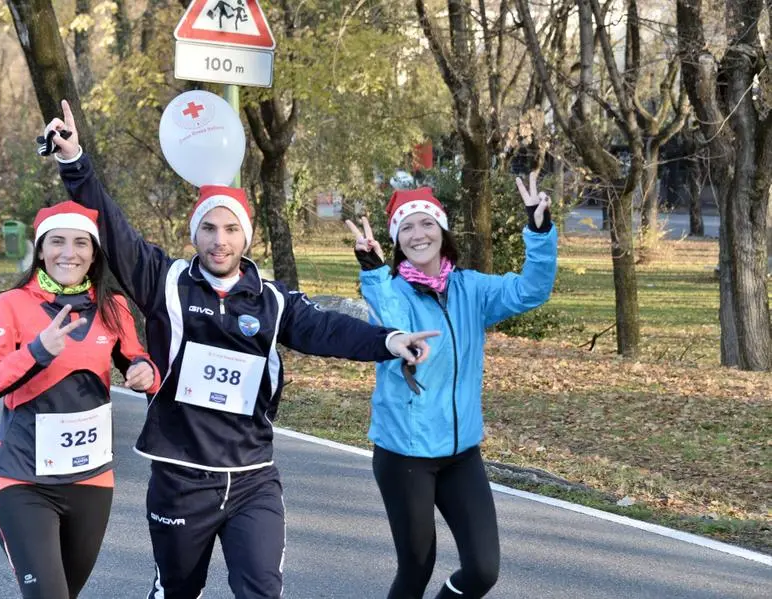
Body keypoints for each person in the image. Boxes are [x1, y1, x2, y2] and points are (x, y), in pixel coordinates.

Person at [40, 99, 439, 599]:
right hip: (182, 476)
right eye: (208, 229)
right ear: (195, 234)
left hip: (252, 477)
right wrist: (75, 164)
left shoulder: (271, 299)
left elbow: (325, 330)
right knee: (178, 591)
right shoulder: (164, 283)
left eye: (230, 229)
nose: (219, 241)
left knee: (261, 590)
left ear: (245, 236)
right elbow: (114, 229)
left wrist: (388, 341)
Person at [345, 175, 557, 599]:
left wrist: (538, 232)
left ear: (442, 231)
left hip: (461, 454)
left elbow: (531, 290)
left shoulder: (472, 289)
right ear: (396, 240)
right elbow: (390, 321)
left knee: (482, 570)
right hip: (405, 454)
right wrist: (373, 271)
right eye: (406, 227)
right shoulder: (395, 294)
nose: (418, 234)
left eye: (426, 224)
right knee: (416, 569)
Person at [0, 201, 161, 599]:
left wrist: (146, 372)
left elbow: (139, 361)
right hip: (20, 480)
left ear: (94, 252)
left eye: (80, 243)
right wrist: (36, 351)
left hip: (91, 480)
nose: (69, 253)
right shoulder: (11, 305)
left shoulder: (112, 306)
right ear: (39, 249)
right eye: (57, 242)